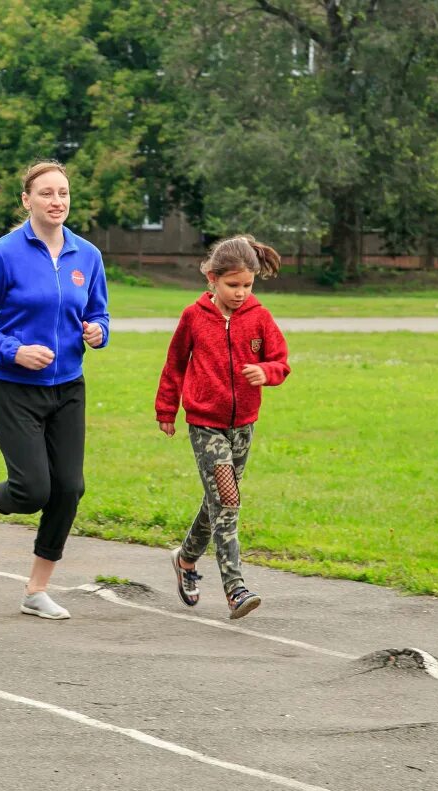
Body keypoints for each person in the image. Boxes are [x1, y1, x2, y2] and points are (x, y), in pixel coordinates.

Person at [0, 160, 110, 620]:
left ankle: (36, 590)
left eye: (62, 192)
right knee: (31, 490)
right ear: (27, 200)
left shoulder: (88, 255)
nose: (56, 201)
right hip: (14, 385)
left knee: (69, 487)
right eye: (46, 193)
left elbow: (99, 314)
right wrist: (13, 351)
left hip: (69, 386)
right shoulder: (3, 254)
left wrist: (98, 332)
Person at [154, 235, 290, 619]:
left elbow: (281, 361)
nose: (241, 293)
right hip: (205, 424)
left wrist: (264, 371)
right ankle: (235, 589)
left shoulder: (260, 317)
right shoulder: (194, 317)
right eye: (233, 285)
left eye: (247, 285)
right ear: (211, 279)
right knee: (228, 501)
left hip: (244, 425)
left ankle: (185, 559)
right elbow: (175, 363)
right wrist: (166, 407)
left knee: (218, 502)